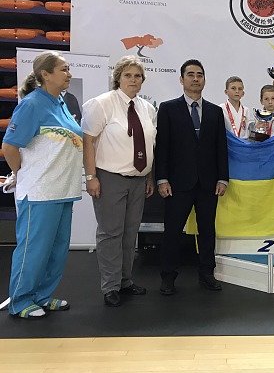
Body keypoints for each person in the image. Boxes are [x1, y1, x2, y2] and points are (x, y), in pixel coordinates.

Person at [2, 51, 83, 318]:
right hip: (39, 192)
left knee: (57, 250)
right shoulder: (32, 104)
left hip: (64, 190)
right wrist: (23, 173)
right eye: (63, 69)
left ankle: (42, 296)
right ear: (45, 74)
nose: (69, 73)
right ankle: (21, 301)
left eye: (68, 69)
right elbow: (10, 147)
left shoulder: (61, 103)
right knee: (33, 249)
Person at [82, 55, 156, 307]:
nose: (133, 80)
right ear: (118, 78)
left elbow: (148, 145)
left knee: (130, 233)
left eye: (138, 76)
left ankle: (125, 280)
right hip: (110, 178)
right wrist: (91, 176)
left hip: (138, 179)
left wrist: (149, 176)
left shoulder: (147, 108)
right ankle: (110, 286)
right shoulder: (102, 104)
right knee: (110, 233)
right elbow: (88, 142)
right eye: (128, 75)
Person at [155, 59, 229, 295]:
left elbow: (221, 147)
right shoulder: (168, 109)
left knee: (207, 231)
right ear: (181, 79)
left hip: (208, 183)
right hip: (177, 183)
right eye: (190, 74)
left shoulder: (215, 112)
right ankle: (168, 276)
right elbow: (162, 147)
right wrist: (162, 179)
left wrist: (223, 178)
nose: (195, 78)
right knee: (172, 231)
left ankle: (207, 273)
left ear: (204, 79)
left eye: (199, 75)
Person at [219, 76, 252, 140]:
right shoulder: (220, 108)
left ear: (243, 93)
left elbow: (248, 131)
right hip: (226, 142)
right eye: (233, 88)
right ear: (226, 92)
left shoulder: (246, 110)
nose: (237, 91)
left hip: (243, 143)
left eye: (240, 89)